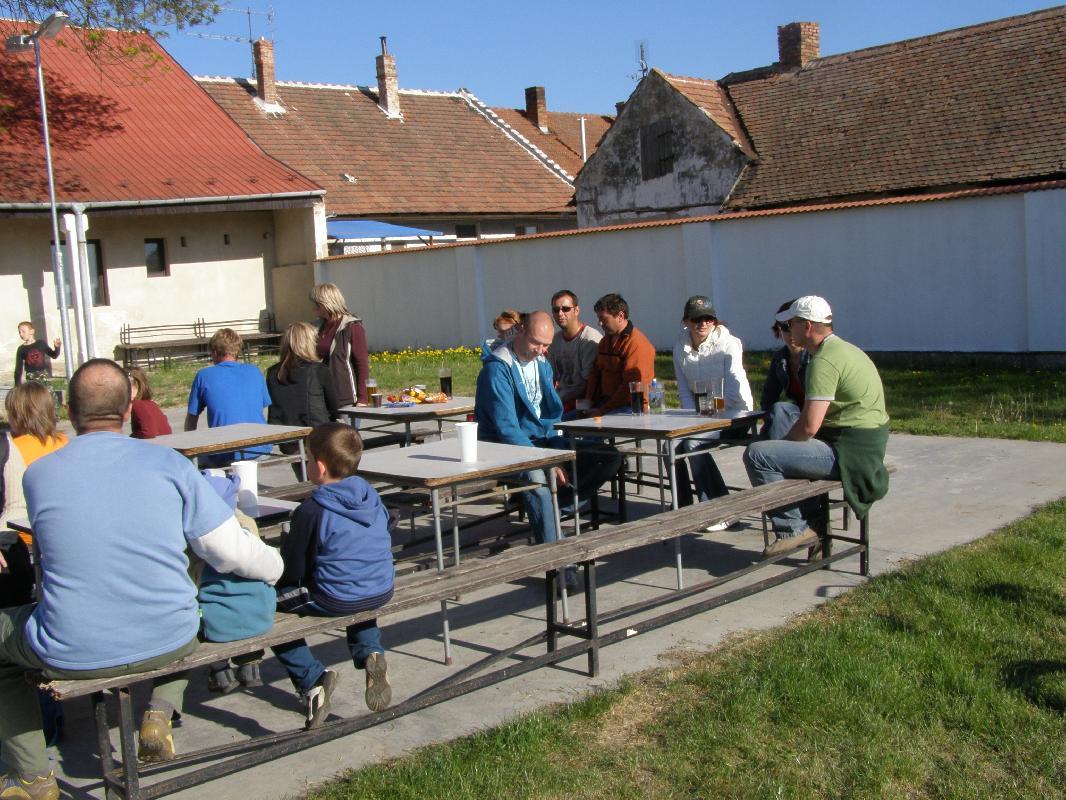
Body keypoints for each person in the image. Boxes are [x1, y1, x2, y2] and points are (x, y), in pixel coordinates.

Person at [0, 359, 282, 798]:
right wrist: (276, 567)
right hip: (170, 636)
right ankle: (161, 707)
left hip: (73, 646)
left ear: (69, 412)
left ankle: (33, 775)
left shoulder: (41, 474)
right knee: (188, 570)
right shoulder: (169, 464)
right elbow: (227, 549)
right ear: (129, 410)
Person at [475, 311, 622, 585]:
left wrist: (555, 449)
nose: (541, 350)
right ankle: (560, 566)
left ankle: (553, 511)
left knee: (607, 456)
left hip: (541, 441)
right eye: (536, 343)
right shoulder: (497, 369)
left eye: (546, 345)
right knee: (538, 482)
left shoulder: (541, 363)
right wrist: (548, 461)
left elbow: (552, 413)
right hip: (505, 448)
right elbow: (507, 429)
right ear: (520, 331)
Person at [744, 296, 890, 558]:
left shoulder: (823, 361)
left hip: (849, 454)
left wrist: (781, 447)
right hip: (862, 446)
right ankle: (814, 522)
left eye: (791, 324)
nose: (787, 331)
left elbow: (809, 427)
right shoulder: (846, 349)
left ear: (807, 326)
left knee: (758, 455)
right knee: (782, 443)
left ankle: (794, 529)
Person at [271, 423, 394, 729]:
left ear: (320, 467)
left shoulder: (313, 509)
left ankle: (311, 678)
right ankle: (370, 650)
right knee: (354, 583)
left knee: (265, 611)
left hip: (334, 596)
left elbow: (294, 567)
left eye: (308, 458)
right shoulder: (371, 496)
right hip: (380, 586)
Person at [671, 296, 754, 516]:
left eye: (708, 318)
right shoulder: (679, 348)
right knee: (670, 444)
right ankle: (681, 507)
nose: (703, 323)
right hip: (703, 415)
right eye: (696, 319)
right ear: (686, 321)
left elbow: (733, 390)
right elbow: (684, 391)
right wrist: (693, 419)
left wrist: (712, 417)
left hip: (736, 415)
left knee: (693, 444)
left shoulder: (729, 344)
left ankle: (718, 510)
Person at [197, 471, 275, 694]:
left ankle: (219, 669)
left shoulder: (198, 536)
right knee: (249, 596)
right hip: (260, 617)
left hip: (218, 624)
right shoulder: (246, 524)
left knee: (200, 607)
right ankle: (250, 665)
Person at [185, 328, 272, 464]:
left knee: (195, 462)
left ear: (214, 352)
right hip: (260, 448)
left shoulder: (204, 376)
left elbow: (192, 419)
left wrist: (189, 449)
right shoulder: (255, 371)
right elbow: (259, 406)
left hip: (224, 452)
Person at [267, 322, 339, 478]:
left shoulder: (273, 373)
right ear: (309, 343)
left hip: (288, 439)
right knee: (325, 477)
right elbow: (334, 407)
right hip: (317, 437)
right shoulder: (319, 370)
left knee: (305, 477)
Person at [1, 382, 69, 535]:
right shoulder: (65, 442)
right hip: (59, 529)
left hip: (21, 532)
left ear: (18, 416)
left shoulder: (11, 448)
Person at [583, 293, 656, 416]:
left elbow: (630, 388)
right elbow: (595, 373)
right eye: (598, 318)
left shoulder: (637, 344)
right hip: (605, 403)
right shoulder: (606, 341)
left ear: (620, 316)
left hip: (629, 407)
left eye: (603, 319)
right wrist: (588, 401)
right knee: (566, 420)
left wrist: (602, 411)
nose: (599, 323)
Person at [311, 282, 370, 407]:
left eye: (317, 304)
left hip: (344, 395)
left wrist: (363, 398)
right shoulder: (317, 327)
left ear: (326, 303)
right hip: (321, 394)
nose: (314, 308)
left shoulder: (352, 327)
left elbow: (362, 364)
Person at [760, 299, 810, 440]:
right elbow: (768, 398)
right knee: (779, 411)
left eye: (795, 326)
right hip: (796, 414)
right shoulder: (779, 358)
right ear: (779, 329)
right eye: (785, 328)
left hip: (819, 415)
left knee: (780, 411)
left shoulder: (816, 356)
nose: (791, 333)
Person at [547, 290, 602, 412]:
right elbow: (550, 377)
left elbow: (587, 384)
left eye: (565, 309)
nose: (560, 313)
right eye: (555, 310)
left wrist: (556, 400)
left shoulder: (589, 339)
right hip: (561, 400)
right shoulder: (554, 341)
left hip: (582, 404)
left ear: (576, 311)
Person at [127, 366, 172, 439]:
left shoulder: (137, 405)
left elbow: (149, 433)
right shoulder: (151, 403)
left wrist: (131, 438)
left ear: (137, 385)